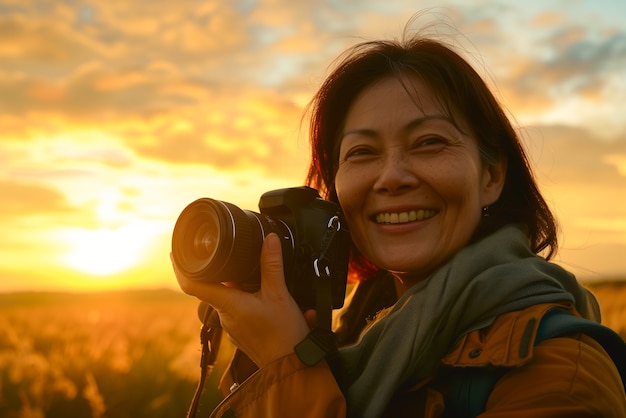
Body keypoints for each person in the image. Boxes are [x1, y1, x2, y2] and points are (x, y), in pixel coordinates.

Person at [173, 29, 626, 417]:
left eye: (428, 142)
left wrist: (284, 366)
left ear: (491, 176)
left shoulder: (562, 369)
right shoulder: (348, 335)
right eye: (362, 153)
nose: (391, 177)